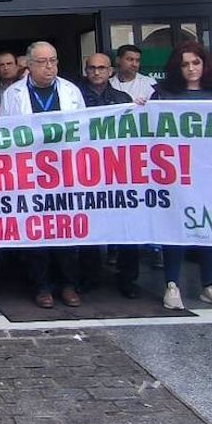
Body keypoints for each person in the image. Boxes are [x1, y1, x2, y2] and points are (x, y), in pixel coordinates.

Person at [152, 42, 212, 310]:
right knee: (174, 228)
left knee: (208, 226)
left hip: (210, 172)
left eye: (196, 63)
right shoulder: (163, 94)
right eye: (185, 64)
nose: (191, 68)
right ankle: (172, 284)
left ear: (204, 64)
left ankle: (210, 285)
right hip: (175, 173)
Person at [1, 42, 85, 309]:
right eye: (42, 62)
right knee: (37, 232)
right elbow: (5, 132)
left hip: (66, 171)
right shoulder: (13, 93)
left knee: (67, 231)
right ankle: (42, 286)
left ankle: (69, 285)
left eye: (53, 60)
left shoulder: (71, 91)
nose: (49, 67)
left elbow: (85, 130)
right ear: (29, 64)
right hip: (31, 173)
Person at [77, 53, 135, 296]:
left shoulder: (123, 99)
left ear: (110, 70)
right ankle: (90, 276)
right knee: (87, 226)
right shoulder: (76, 98)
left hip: (117, 171)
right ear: (86, 71)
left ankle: (128, 279)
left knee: (127, 228)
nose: (97, 72)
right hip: (85, 170)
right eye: (92, 68)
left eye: (102, 68)